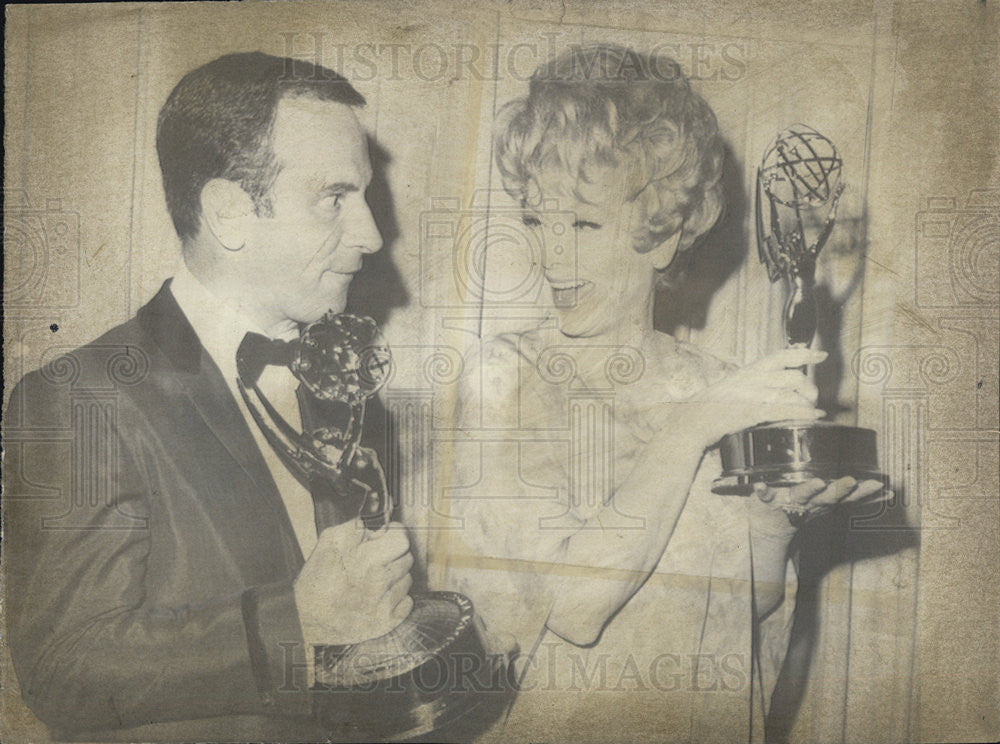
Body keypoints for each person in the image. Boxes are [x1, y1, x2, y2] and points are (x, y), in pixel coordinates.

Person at [433, 44, 884, 743]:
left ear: (665, 231)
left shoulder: (712, 384)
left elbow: (745, 608)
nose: (550, 257)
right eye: (535, 220)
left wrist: (775, 521)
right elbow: (575, 608)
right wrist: (692, 428)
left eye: (582, 224)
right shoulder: (502, 378)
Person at [3, 52, 414, 741]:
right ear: (228, 212)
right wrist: (296, 625)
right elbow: (63, 670)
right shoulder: (83, 400)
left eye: (365, 197)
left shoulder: (355, 397)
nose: (371, 235)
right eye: (335, 197)